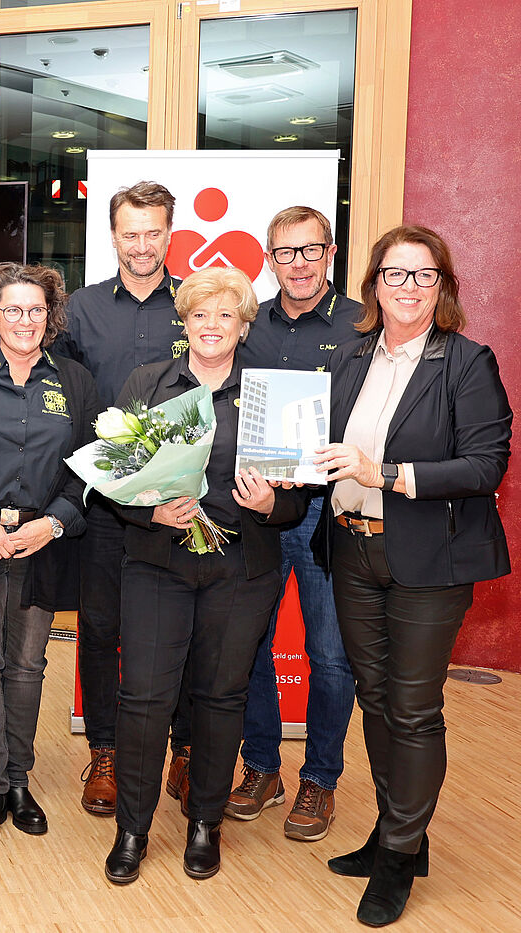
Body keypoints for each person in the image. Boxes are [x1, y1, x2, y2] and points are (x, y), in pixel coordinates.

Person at [310, 225, 511, 927]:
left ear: (442, 287)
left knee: (415, 707)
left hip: (430, 559)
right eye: (394, 275)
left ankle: (397, 856)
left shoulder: (465, 362)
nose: (407, 288)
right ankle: (402, 831)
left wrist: (385, 473)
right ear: (374, 286)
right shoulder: (351, 355)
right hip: (353, 551)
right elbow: (318, 447)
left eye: (422, 276)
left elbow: (486, 466)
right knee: (375, 696)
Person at [103, 267, 307, 886]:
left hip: (241, 569)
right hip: (158, 563)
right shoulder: (149, 384)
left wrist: (272, 504)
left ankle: (204, 824)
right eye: (198, 315)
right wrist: (149, 508)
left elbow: (298, 502)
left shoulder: (276, 396)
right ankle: (132, 830)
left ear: (244, 326)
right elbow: (115, 479)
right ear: (183, 322)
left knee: (222, 697)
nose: (210, 326)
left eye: (224, 316)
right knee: (144, 698)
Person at [0, 262, 96, 846]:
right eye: (12, 309)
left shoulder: (77, 381)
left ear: (50, 315)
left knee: (29, 666)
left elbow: (93, 465)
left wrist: (54, 524)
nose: (24, 320)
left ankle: (17, 782)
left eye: (36, 309)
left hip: (44, 544)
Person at [55, 180, 192, 816]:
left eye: (154, 232)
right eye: (130, 233)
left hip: (182, 505)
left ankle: (186, 750)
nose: (142, 245)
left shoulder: (194, 304)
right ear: (113, 236)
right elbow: (60, 400)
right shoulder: (79, 310)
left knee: (184, 631)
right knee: (103, 628)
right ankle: (105, 752)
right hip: (104, 504)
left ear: (171, 232)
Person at [230, 206, 363, 841]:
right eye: (285, 253)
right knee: (249, 643)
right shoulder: (248, 323)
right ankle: (260, 767)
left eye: (310, 251)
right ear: (269, 259)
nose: (298, 264)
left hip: (325, 509)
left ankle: (321, 777)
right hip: (256, 506)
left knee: (331, 655)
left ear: (330, 254)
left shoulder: (363, 323)